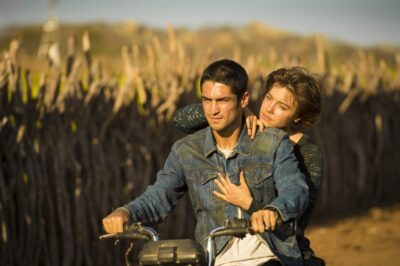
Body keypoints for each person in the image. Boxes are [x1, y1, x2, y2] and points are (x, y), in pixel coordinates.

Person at [102, 59, 309, 265]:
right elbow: (159, 195)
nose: (213, 110)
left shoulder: (272, 143)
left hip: (270, 258)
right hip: (214, 258)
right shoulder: (186, 150)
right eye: (207, 100)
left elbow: (295, 189)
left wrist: (272, 211)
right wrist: (125, 212)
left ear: (243, 100)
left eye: (222, 101)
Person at [172, 66, 324, 265]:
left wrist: (249, 204)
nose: (269, 109)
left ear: (297, 116)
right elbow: (180, 120)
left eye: (282, 106)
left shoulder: (307, 153)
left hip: (283, 254)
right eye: (268, 98)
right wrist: (237, 109)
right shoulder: (244, 129)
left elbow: (297, 221)